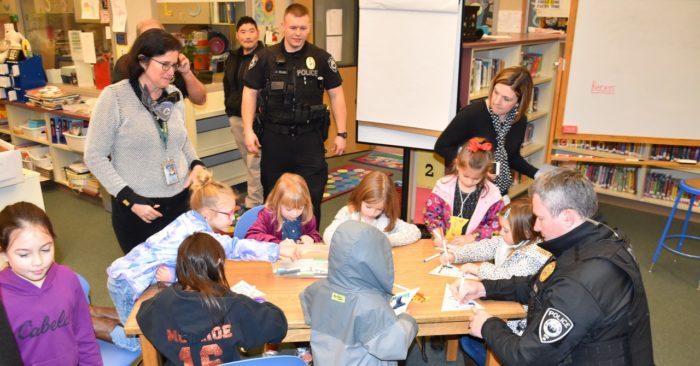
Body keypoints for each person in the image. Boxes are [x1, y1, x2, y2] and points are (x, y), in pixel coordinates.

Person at [451, 168, 654, 365]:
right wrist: (484, 288)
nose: (536, 227)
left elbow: (526, 358)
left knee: (476, 343)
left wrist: (488, 325)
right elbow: (536, 284)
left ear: (567, 216)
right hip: (581, 351)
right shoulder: (594, 239)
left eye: (540, 218)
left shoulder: (582, 281)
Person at [106, 169, 300, 351]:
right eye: (229, 214)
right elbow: (233, 248)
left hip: (127, 273)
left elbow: (173, 255)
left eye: (235, 211)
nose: (233, 219)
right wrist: (277, 249)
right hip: (127, 282)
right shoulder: (199, 233)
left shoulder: (190, 218)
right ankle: (93, 323)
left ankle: (95, 312)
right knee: (138, 340)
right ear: (207, 213)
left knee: (138, 321)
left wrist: (173, 274)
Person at [86, 28, 207, 254]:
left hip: (180, 200)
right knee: (147, 280)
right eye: (165, 65)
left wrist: (196, 163)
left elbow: (179, 138)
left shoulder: (173, 94)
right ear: (142, 61)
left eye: (174, 65)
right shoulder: (115, 97)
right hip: (139, 207)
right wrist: (129, 200)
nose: (171, 72)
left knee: (182, 270)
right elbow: (94, 156)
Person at [242, 3, 348, 227]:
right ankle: (272, 239)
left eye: (302, 28)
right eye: (293, 28)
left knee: (312, 197)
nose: (297, 34)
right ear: (283, 26)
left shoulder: (321, 58)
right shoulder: (264, 57)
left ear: (309, 27)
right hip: (274, 139)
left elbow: (337, 94)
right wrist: (248, 130)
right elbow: (250, 92)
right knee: (272, 197)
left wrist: (342, 133)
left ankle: (311, 240)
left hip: (309, 139)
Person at [137, 232, 288, 365]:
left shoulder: (161, 303)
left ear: (181, 265)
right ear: (218, 262)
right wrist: (258, 303)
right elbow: (278, 326)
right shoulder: (233, 304)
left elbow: (143, 316)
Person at [439, 198, 550, 366]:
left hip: (517, 319)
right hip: (499, 298)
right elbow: (482, 247)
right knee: (467, 335)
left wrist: (478, 269)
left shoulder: (536, 254)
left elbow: (508, 277)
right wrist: (456, 254)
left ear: (527, 232)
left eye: (505, 230)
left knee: (467, 337)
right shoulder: (507, 240)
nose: (500, 233)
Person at [300, 221, 418, 365]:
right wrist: (407, 320)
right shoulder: (372, 306)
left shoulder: (317, 289)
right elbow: (394, 345)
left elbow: (307, 304)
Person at [0, 202, 102, 365]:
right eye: (24, 254)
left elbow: (84, 335)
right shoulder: (3, 298)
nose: (38, 262)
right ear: (4, 253)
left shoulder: (67, 278)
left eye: (46, 249)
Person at [434, 66, 537, 196]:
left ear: (519, 103)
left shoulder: (519, 120)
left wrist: (538, 174)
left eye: (506, 99)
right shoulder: (473, 113)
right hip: (469, 188)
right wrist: (474, 169)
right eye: (495, 92)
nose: (496, 101)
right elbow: (442, 146)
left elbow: (511, 156)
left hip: (498, 192)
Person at [423, 137, 505, 245]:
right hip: (444, 245)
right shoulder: (443, 187)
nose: (470, 181)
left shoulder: (492, 195)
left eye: (476, 178)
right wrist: (437, 234)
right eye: (465, 176)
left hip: (474, 249)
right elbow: (431, 214)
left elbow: (496, 223)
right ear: (457, 165)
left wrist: (472, 237)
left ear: (485, 173)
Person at [111, 18, 207, 105]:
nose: (156, 43)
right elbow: (121, 103)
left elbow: (201, 99)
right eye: (149, 38)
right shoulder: (126, 64)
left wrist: (186, 72)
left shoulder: (176, 61)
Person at [224, 16, 265, 209]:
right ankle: (262, 197)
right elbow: (228, 84)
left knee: (254, 163)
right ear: (237, 35)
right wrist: (229, 110)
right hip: (236, 116)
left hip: (257, 120)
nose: (248, 36)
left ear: (258, 33)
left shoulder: (265, 56)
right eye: (243, 31)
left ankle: (254, 204)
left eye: (251, 31)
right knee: (248, 161)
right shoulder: (233, 57)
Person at [323, 171, 420, 247]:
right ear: (360, 197)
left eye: (379, 209)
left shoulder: (385, 217)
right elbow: (328, 235)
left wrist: (386, 240)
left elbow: (414, 232)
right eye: (368, 206)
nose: (372, 213)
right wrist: (351, 243)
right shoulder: (348, 213)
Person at [246, 173, 322, 244]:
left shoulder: (307, 215)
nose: (295, 214)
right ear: (277, 202)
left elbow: (315, 234)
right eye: (289, 209)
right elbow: (251, 236)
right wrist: (278, 243)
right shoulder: (268, 216)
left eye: (300, 208)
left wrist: (311, 238)